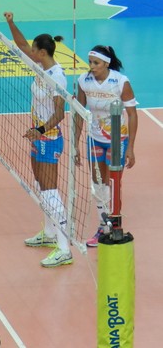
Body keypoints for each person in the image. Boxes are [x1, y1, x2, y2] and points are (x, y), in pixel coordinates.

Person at [4, 12, 73, 268]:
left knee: (51, 191)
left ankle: (65, 248)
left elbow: (60, 113)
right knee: (41, 186)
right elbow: (21, 45)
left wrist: (41, 131)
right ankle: (50, 233)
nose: (30, 52)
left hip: (49, 138)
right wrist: (11, 22)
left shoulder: (57, 77)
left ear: (42, 52)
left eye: (34, 50)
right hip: (37, 136)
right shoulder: (39, 66)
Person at [74, 45, 138, 247]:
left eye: (96, 63)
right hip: (95, 139)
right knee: (98, 183)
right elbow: (78, 112)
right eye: (90, 62)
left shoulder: (120, 82)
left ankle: (115, 223)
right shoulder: (84, 81)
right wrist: (75, 144)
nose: (92, 67)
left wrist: (131, 148)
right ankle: (104, 225)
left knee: (114, 181)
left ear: (106, 63)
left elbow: (132, 114)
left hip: (117, 140)